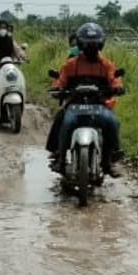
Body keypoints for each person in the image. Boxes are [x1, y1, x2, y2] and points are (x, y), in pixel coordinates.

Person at [48, 22, 124, 177]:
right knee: (66, 122)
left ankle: (109, 160)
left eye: (95, 44)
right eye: (88, 44)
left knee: (113, 122)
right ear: (81, 44)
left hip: (99, 105)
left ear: (100, 44)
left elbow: (114, 80)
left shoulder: (106, 65)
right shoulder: (71, 64)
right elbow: (60, 80)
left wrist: (117, 87)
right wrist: (57, 88)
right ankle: (61, 158)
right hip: (75, 105)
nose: (91, 48)